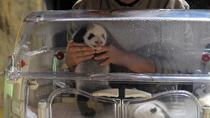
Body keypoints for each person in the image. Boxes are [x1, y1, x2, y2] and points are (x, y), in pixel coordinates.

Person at [65, 0, 190, 74]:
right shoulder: (85, 7)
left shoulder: (173, 6)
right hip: (99, 99)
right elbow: (72, 75)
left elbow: (182, 68)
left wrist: (125, 58)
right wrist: (71, 64)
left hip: (159, 99)